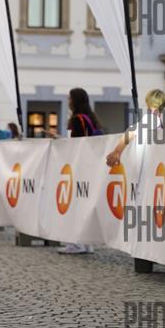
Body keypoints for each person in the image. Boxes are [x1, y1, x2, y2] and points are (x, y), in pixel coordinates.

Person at [59, 88, 103, 254]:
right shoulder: (91, 118)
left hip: (78, 167)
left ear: (74, 101)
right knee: (84, 204)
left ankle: (76, 243)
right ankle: (86, 242)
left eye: (69, 98)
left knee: (75, 205)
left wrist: (60, 141)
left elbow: (75, 144)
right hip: (90, 166)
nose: (68, 101)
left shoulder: (77, 120)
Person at [106, 89, 165, 167]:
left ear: (148, 103)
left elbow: (131, 131)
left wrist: (117, 151)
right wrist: (117, 151)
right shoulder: (154, 118)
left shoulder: (153, 118)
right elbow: (132, 131)